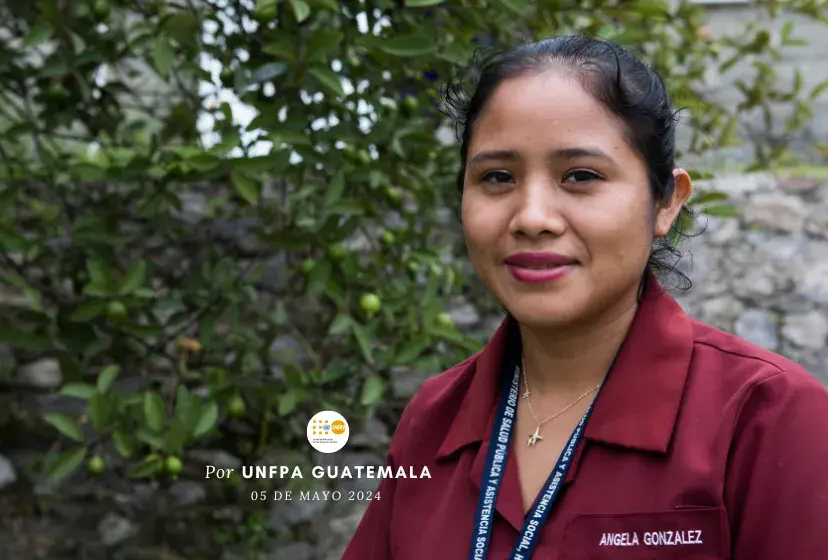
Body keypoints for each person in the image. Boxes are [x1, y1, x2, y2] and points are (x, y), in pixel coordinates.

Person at [341, 36, 828, 559]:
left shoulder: (766, 416)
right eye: (497, 177)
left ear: (666, 202)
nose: (531, 217)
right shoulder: (435, 418)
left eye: (580, 176)